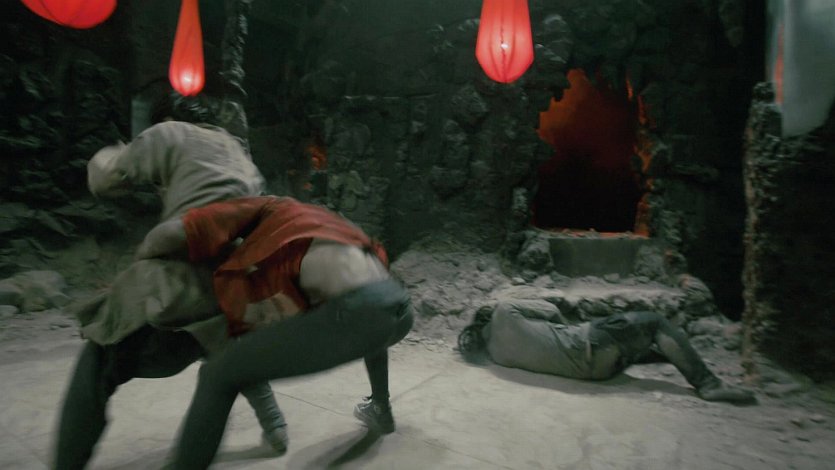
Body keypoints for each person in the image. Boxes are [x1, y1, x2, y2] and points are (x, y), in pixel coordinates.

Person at [54, 117, 288, 470]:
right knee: (231, 354)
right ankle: (276, 427)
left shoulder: (173, 133)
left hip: (173, 290)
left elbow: (107, 177)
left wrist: (111, 154)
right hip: (229, 295)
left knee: (98, 363)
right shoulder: (245, 163)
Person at [133, 195, 414, 469]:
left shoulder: (267, 211)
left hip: (357, 311)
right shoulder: (328, 225)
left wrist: (138, 264)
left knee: (217, 375)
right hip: (398, 309)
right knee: (374, 328)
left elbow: (174, 233)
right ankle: (381, 408)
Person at [458, 299, 755, 404]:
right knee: (655, 322)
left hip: (595, 373)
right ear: (484, 318)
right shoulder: (503, 311)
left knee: (631, 339)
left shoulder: (496, 358)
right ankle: (708, 384)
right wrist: (564, 328)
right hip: (590, 344)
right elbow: (551, 310)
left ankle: (673, 354)